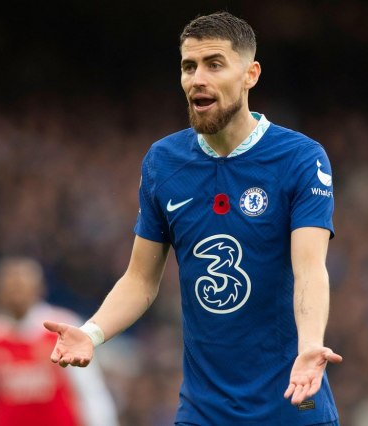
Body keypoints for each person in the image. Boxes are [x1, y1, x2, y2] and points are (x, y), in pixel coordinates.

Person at [44, 11, 342, 425]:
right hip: (203, 411)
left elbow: (309, 269)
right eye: (189, 66)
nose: (197, 78)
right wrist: (92, 333)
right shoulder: (163, 162)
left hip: (293, 401)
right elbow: (140, 279)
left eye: (214, 64)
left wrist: (310, 346)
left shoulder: (300, 158)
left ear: (250, 74)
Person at [0, 256, 120, 426]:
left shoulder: (63, 327)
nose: (16, 292)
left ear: (39, 288)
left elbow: (89, 390)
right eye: (11, 286)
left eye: (22, 286)